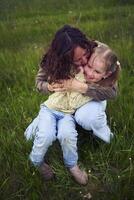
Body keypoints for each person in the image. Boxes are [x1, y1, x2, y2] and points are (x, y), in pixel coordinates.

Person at [25, 42, 120, 185]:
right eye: (88, 66)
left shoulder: (102, 81)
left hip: (67, 115)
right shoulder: (78, 67)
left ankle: (72, 165)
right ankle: (36, 160)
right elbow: (48, 71)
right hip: (50, 109)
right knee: (43, 135)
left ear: (106, 74)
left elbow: (112, 90)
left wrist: (82, 86)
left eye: (97, 72)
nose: (90, 73)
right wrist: (49, 84)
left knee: (67, 135)